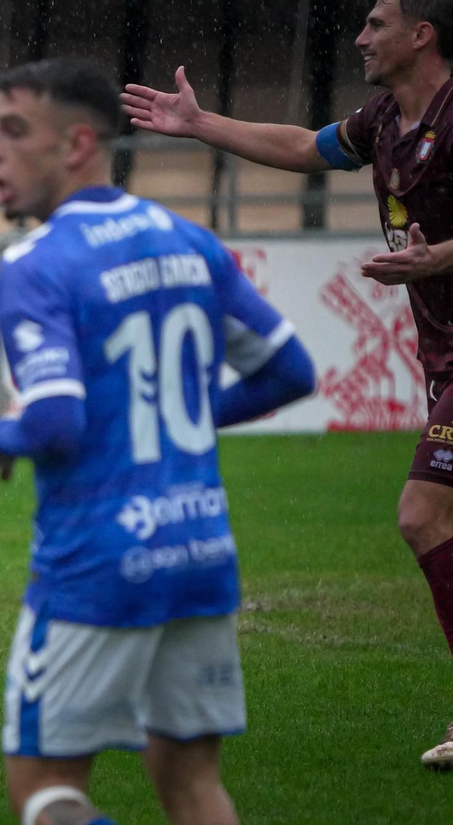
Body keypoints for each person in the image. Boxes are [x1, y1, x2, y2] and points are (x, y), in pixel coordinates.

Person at [0, 59, 317, 825]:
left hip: (99, 562)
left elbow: (55, 421)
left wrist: (2, 433)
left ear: (79, 142)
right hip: (199, 550)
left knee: (45, 789)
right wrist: (179, 412)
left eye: (12, 129)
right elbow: (288, 370)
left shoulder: (36, 262)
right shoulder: (188, 240)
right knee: (192, 784)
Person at [122, 0, 453, 771]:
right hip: (441, 359)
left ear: (422, 34)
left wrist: (441, 258)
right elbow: (308, 145)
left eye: (377, 24)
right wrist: (204, 126)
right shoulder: (383, 121)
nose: (362, 38)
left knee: (421, 512)